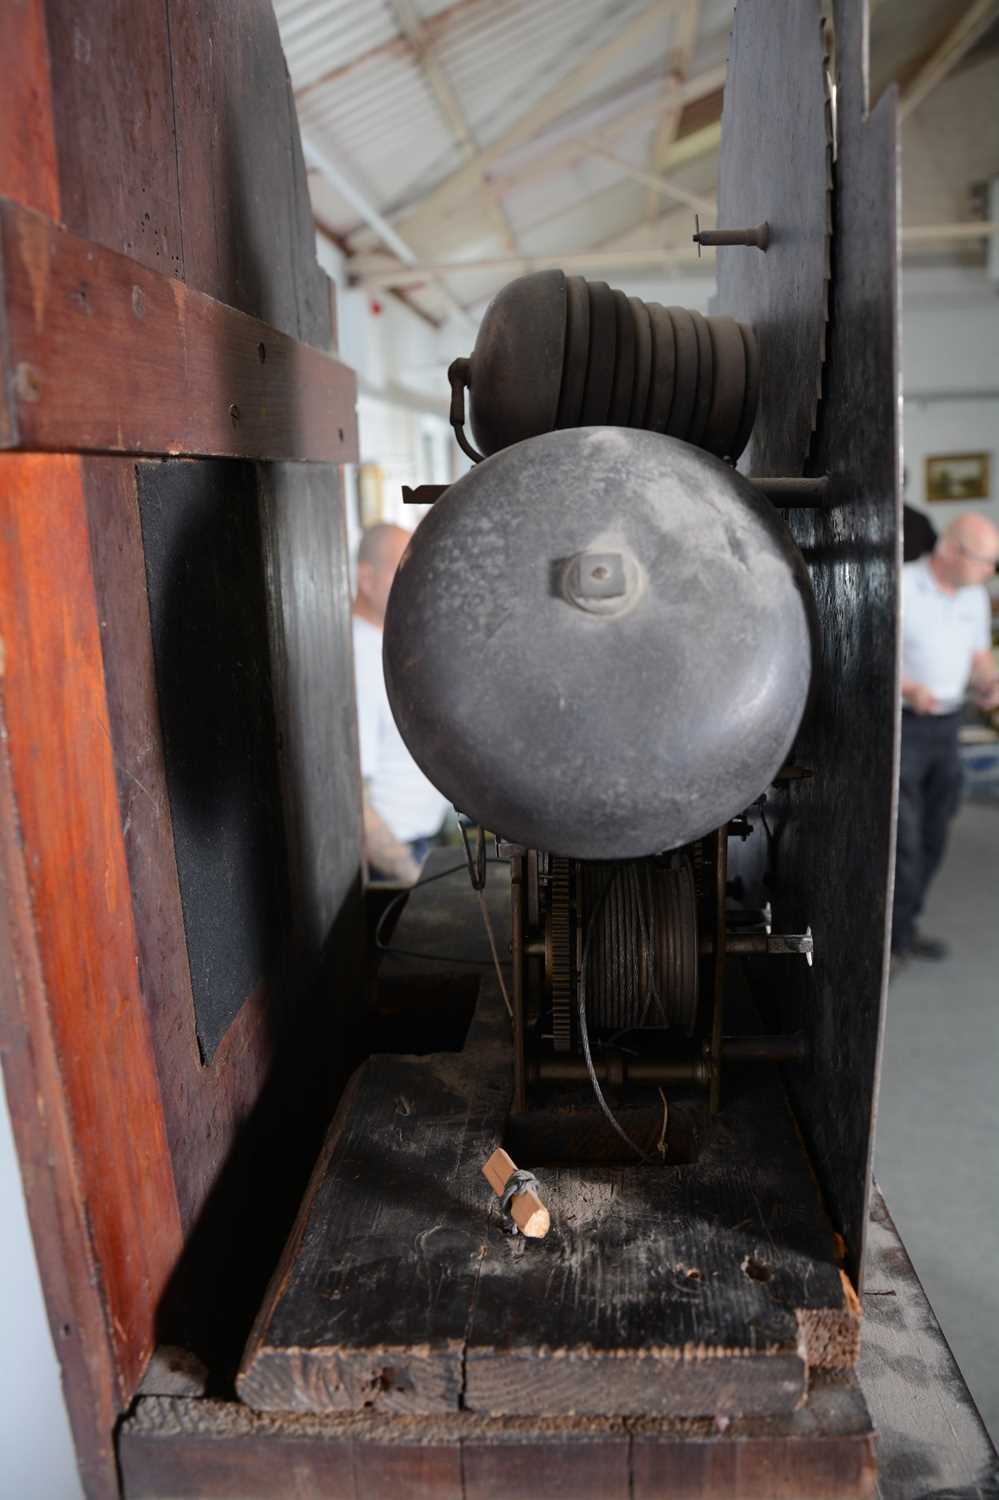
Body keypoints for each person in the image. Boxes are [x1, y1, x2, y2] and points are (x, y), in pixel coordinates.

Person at [892, 512, 999, 968]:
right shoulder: (903, 586)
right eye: (986, 561)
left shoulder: (974, 595)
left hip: (948, 726)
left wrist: (989, 679)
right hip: (905, 726)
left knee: (935, 834)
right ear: (953, 551)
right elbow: (867, 655)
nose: (992, 571)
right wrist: (907, 688)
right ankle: (889, 943)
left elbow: (978, 654)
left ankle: (906, 928)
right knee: (904, 842)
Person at [352, 523, 449, 883]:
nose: (416, 585)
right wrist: (409, 874)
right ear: (366, 578)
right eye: (401, 571)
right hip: (393, 859)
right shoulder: (358, 655)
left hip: (425, 844)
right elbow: (351, 801)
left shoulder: (384, 641)